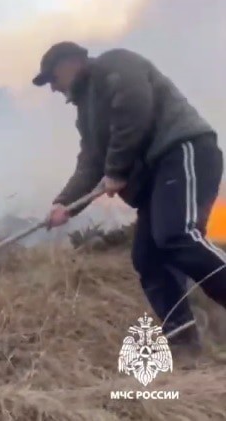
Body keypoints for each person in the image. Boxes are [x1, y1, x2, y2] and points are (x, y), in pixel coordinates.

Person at [33, 41, 226, 364]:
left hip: (181, 151)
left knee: (176, 235)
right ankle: (185, 346)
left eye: (52, 78)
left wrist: (116, 169)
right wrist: (64, 204)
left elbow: (135, 109)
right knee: (147, 257)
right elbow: (90, 164)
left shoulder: (115, 64)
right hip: (155, 178)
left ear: (71, 62)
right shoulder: (86, 113)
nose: (52, 88)